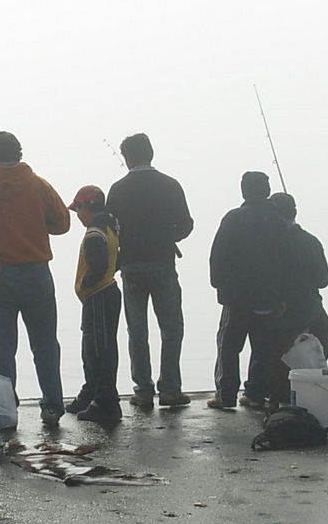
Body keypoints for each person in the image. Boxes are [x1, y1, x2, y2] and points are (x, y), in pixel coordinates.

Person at [0, 131, 70, 426]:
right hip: (36, 272)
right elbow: (62, 223)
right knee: (45, 344)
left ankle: (5, 410)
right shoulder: (39, 186)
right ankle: (52, 407)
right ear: (20, 154)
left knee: (1, 348)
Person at [106, 133, 193, 408]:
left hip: (131, 264)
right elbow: (186, 224)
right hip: (162, 262)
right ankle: (170, 389)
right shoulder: (170, 185)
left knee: (137, 330)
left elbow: (109, 229)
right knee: (171, 327)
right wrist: (168, 237)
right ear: (151, 153)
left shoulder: (118, 189)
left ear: (127, 158)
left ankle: (143, 390)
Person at [208, 171, 293, 410]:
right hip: (267, 297)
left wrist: (218, 284)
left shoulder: (233, 218)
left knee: (228, 346)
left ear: (244, 191)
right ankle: (254, 394)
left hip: (236, 297)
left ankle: (225, 395)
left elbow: (218, 255)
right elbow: (288, 261)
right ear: (267, 191)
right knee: (262, 348)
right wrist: (283, 295)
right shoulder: (278, 222)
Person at [264, 192, 328, 404]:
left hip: (279, 312)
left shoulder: (268, 244)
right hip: (311, 309)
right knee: (324, 332)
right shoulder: (311, 242)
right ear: (294, 212)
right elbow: (323, 280)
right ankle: (315, 385)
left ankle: (275, 391)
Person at [65, 185, 122, 421]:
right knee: (94, 347)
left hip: (99, 294)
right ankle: (91, 393)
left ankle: (105, 402)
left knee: (99, 350)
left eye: (78, 209)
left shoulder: (94, 234)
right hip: (102, 294)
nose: (78, 215)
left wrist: (84, 284)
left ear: (86, 207)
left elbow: (98, 268)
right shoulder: (109, 228)